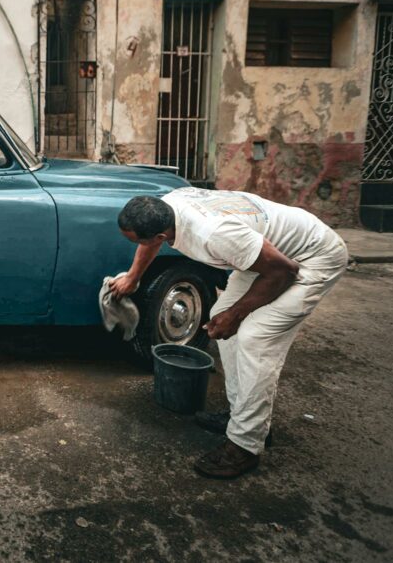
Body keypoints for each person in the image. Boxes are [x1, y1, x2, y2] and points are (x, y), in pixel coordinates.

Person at [110, 188, 348, 479]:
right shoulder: (165, 208)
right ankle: (244, 418)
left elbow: (284, 271)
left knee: (255, 337)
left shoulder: (213, 234)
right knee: (219, 319)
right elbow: (148, 243)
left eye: (136, 240)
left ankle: (245, 446)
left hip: (310, 257)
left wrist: (236, 315)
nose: (136, 244)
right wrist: (133, 278)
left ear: (161, 235)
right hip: (262, 256)